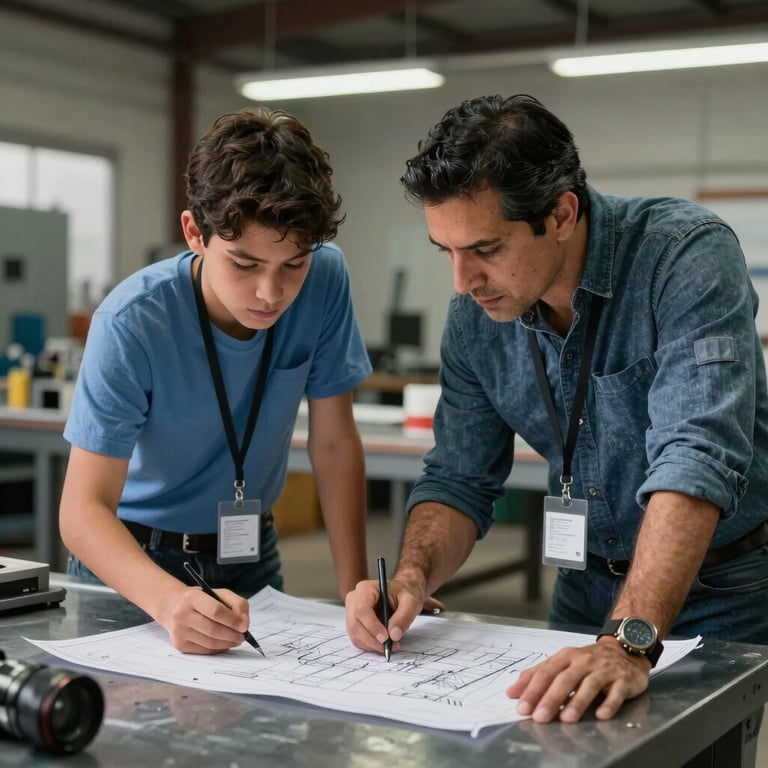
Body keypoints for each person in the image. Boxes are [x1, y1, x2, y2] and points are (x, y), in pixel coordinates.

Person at [345, 94, 768, 724]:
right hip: (584, 584)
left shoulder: (683, 256)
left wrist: (629, 640)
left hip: (721, 588)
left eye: (486, 248)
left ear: (562, 214)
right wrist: (412, 576)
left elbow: (696, 454)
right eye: (447, 252)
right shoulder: (476, 318)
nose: (463, 283)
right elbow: (458, 477)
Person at [60, 106, 372, 654]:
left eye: (292, 265)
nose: (270, 293)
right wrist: (167, 601)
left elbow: (333, 440)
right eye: (245, 265)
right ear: (194, 234)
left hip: (249, 547)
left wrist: (355, 592)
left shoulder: (326, 276)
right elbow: (82, 511)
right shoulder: (132, 321)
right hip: (135, 558)